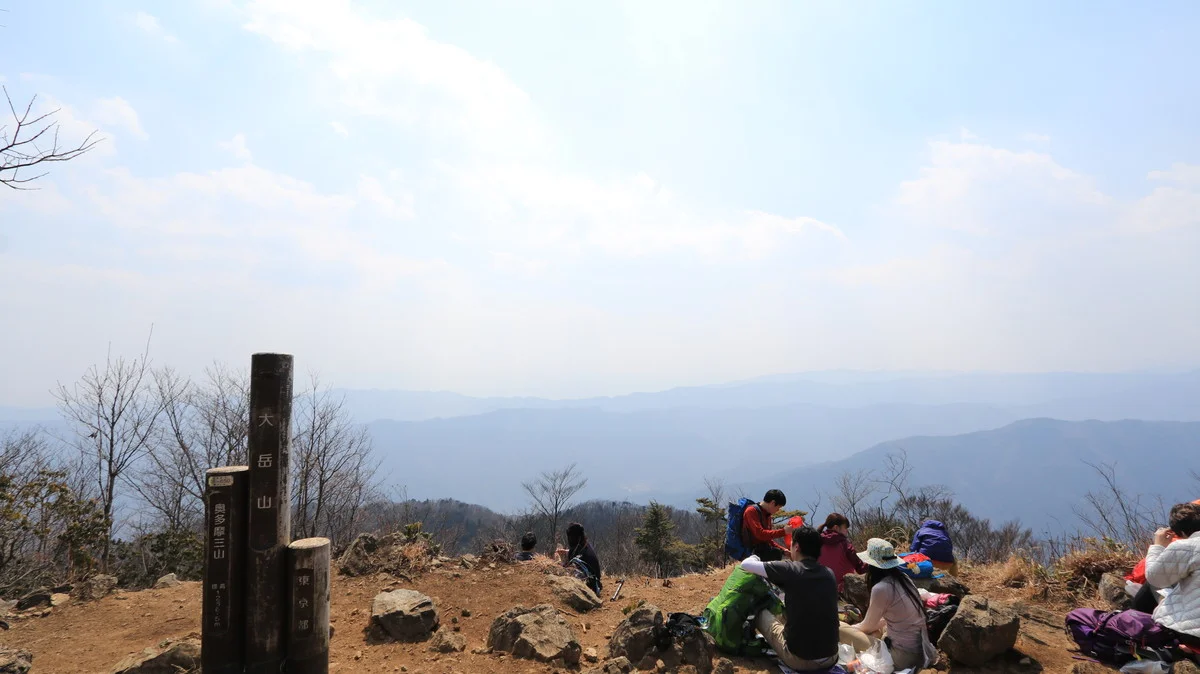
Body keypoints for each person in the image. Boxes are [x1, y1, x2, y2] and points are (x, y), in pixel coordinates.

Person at [740, 526, 842, 671]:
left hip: (800, 660)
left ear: (797, 546)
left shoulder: (791, 570)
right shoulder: (829, 573)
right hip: (831, 657)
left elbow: (746, 565)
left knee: (761, 614)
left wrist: (755, 556)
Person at [842, 538, 939, 670]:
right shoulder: (904, 579)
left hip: (900, 657)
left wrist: (851, 629)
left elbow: (867, 626)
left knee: (840, 628)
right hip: (921, 652)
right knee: (875, 630)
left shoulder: (881, 588)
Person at [1139, 502, 1200, 648]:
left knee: (1152, 584)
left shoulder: (1187, 546)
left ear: (1181, 533)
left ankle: (1136, 627)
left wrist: (1158, 545)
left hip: (1192, 634)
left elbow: (1155, 577)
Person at [817, 513, 868, 592]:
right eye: (845, 528)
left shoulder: (816, 542)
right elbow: (860, 567)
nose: (847, 531)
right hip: (843, 591)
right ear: (836, 528)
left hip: (821, 590)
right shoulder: (844, 544)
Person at [743, 489, 791, 562]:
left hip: (762, 550)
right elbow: (760, 534)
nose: (777, 510)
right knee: (775, 554)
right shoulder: (751, 511)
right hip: (752, 553)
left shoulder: (767, 515)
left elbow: (768, 539)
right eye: (778, 507)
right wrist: (783, 532)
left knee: (777, 553)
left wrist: (783, 550)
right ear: (772, 503)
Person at [555, 522, 602, 595]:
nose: (569, 539)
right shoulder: (585, 545)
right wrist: (566, 552)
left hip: (591, 587)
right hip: (595, 581)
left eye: (570, 537)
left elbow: (569, 571)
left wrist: (560, 563)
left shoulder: (580, 553)